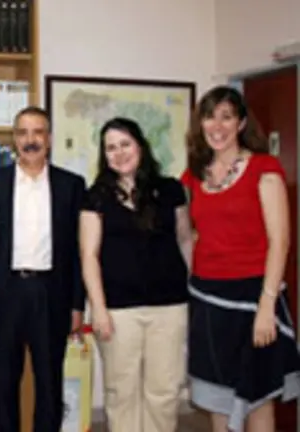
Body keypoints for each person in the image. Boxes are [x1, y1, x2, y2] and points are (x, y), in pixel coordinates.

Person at [181, 86, 300, 432]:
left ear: (241, 123)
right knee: (217, 399)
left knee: (257, 399)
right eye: (209, 117)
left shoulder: (264, 168)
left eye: (226, 117)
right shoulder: (194, 175)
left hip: (254, 297)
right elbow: (186, 232)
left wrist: (267, 305)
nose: (217, 126)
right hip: (208, 299)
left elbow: (280, 241)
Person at [0, 106, 86, 432]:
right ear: (14, 139)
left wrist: (77, 304)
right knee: (4, 383)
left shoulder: (71, 185)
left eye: (38, 132)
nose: (30, 140)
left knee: (50, 383)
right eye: (22, 133)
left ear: (49, 139)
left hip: (51, 294)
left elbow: (78, 251)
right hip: (5, 293)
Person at [79, 117, 192, 432]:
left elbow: (185, 239)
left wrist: (195, 289)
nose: (119, 153)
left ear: (140, 146)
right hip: (118, 311)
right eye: (111, 148)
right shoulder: (96, 196)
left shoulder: (170, 190)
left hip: (169, 306)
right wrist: (98, 309)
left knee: (164, 392)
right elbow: (89, 256)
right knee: (121, 392)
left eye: (125, 144)